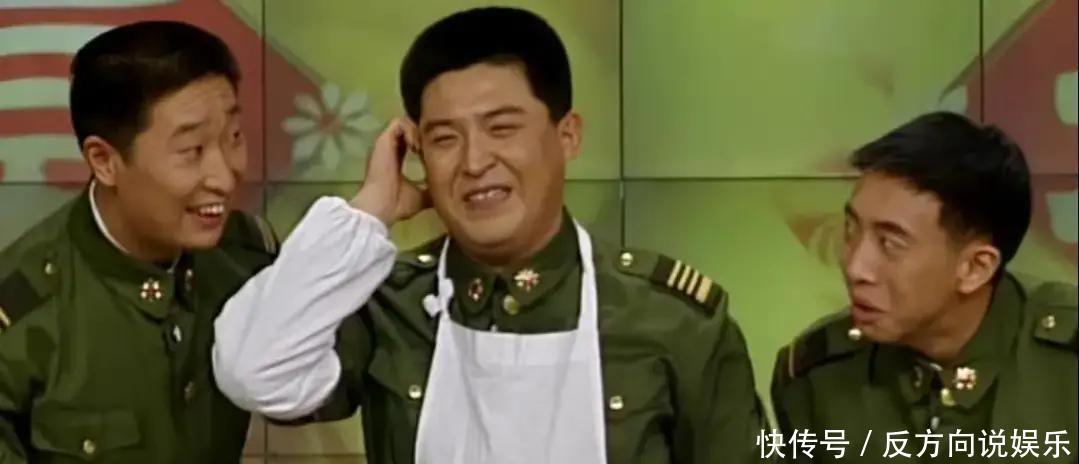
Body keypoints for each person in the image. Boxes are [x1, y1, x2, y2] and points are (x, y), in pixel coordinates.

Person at [213, 7, 767, 464]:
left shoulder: (671, 318)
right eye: (445, 138)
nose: (475, 162)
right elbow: (253, 371)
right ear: (416, 151)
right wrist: (369, 211)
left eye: (502, 128)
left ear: (567, 136)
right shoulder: (389, 306)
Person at [0, 21, 277, 463]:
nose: (225, 178)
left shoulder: (248, 257)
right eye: (191, 151)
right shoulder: (25, 311)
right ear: (105, 161)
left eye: (234, 138)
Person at [770, 112, 1077, 462]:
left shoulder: (1065, 364)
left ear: (975, 268)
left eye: (890, 243)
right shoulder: (818, 378)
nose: (855, 267)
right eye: (851, 230)